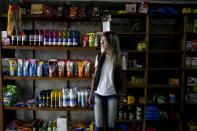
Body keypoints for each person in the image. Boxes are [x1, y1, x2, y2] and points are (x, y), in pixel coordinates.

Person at [88, 31, 125, 131]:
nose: (101, 43)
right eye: (101, 41)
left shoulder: (120, 58)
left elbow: (123, 80)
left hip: (113, 95)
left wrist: (121, 97)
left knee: (111, 125)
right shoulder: (99, 56)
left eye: (104, 41)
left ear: (111, 42)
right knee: (98, 125)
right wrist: (91, 94)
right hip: (98, 94)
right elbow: (94, 77)